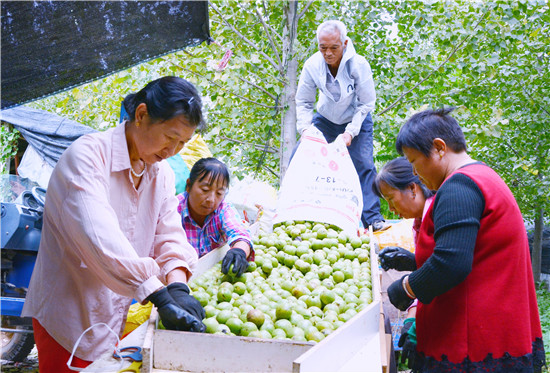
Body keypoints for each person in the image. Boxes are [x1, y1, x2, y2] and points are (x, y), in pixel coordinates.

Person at [22, 76, 208, 372]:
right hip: (68, 314)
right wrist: (158, 294)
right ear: (142, 114)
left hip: (112, 313)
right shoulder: (87, 157)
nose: (173, 150)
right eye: (170, 137)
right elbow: (100, 236)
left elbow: (168, 234)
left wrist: (178, 285)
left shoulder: (161, 174)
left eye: (183, 143)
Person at [387, 107, 545, 372]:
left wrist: (406, 288)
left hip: (476, 343)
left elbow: (451, 262)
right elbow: (477, 252)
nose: (415, 173)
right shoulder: (483, 177)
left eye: (414, 162)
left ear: (439, 148)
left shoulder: (459, 186)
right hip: (496, 330)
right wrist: (413, 260)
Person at [295, 19, 386, 231]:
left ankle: (372, 218)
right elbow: (304, 101)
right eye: (323, 48)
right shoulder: (312, 65)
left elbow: (366, 103)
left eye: (333, 48)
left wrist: (351, 132)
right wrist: (305, 129)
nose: (328, 53)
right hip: (325, 119)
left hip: (357, 119)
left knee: (363, 163)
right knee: (300, 157)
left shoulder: (359, 65)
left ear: (344, 44)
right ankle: (299, 213)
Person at [373, 157, 435, 372]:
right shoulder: (419, 222)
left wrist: (407, 288)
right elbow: (429, 274)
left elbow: (445, 272)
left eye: (391, 199)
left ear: (412, 188)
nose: (390, 209)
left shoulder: (439, 213)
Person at [177, 157, 254, 277]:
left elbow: (239, 233)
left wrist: (239, 251)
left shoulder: (223, 209)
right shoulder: (173, 209)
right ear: (189, 185)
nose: (211, 200)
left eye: (219, 193)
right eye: (205, 190)